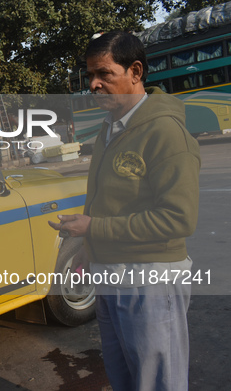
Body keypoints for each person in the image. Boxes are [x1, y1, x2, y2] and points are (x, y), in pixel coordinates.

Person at [48, 31, 200, 391]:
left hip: (150, 279)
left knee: (157, 382)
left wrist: (94, 228)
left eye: (104, 74)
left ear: (135, 71)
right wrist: (89, 245)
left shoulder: (166, 132)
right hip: (110, 274)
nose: (94, 85)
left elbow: (179, 218)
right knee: (125, 377)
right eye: (90, 76)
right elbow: (103, 197)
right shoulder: (110, 129)